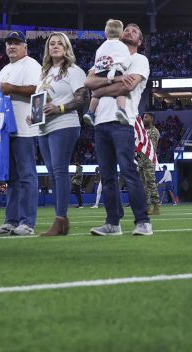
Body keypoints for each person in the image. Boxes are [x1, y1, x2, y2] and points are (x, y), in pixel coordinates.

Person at [81, 22, 152, 237]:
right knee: (107, 176)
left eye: (135, 31)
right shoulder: (108, 56)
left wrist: (99, 91)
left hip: (123, 121)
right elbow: (88, 81)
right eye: (127, 29)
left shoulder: (140, 60)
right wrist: (110, 81)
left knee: (129, 172)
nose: (129, 31)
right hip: (100, 123)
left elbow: (127, 86)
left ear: (140, 41)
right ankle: (113, 222)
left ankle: (143, 221)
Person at [0, 32, 42, 237]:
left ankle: (27, 223)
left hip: (25, 128)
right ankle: (11, 221)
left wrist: (12, 89)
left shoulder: (32, 65)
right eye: (9, 43)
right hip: (7, 129)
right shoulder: (5, 70)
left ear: (25, 46)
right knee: (11, 178)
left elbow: (38, 90)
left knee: (27, 175)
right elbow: (1, 93)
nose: (12, 46)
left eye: (16, 43)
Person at [33, 32, 88, 236]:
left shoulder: (73, 71)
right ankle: (62, 221)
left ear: (66, 48)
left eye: (59, 43)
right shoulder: (44, 72)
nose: (55, 46)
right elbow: (40, 100)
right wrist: (34, 115)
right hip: (44, 127)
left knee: (59, 171)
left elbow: (81, 98)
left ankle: (60, 219)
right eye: (51, 43)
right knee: (53, 174)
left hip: (65, 124)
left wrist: (60, 108)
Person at [89, 20, 132, 125]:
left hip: (100, 72)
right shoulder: (122, 46)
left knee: (95, 95)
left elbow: (96, 62)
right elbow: (126, 61)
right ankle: (121, 110)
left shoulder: (101, 47)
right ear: (121, 34)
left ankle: (90, 112)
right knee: (121, 92)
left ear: (106, 33)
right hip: (115, 72)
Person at [136, 112, 162, 215]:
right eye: (143, 117)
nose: (143, 119)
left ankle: (156, 206)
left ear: (151, 119)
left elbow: (150, 146)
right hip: (141, 161)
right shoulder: (143, 131)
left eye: (146, 117)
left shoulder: (154, 131)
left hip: (149, 161)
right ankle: (146, 207)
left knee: (151, 183)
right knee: (143, 185)